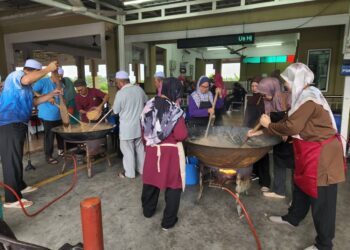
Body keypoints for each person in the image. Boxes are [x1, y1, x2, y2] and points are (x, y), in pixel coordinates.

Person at [248, 63, 346, 250]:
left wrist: (269, 125)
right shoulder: (302, 97)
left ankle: (324, 245)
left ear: (297, 80)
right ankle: (293, 218)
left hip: (322, 154)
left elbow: (292, 127)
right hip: (309, 150)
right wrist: (261, 132)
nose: (285, 86)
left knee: (322, 200)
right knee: (301, 186)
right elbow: (288, 121)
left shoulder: (309, 99)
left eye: (287, 82)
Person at [0, 59, 59, 208]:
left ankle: (19, 185)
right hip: (8, 123)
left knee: (16, 157)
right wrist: (48, 69)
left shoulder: (25, 87)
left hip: (18, 124)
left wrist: (51, 94)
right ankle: (12, 199)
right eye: (38, 74)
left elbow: (33, 102)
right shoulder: (16, 75)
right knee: (11, 160)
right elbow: (27, 79)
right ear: (32, 71)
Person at [141, 77, 188, 230]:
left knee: (150, 181)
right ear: (174, 91)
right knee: (173, 186)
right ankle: (168, 222)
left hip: (151, 150)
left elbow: (143, 131)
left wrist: (151, 144)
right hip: (170, 154)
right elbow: (181, 135)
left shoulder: (148, 105)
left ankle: (148, 212)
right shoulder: (174, 110)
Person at [257, 76, 293, 199]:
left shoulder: (286, 97)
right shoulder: (268, 102)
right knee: (278, 163)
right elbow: (267, 120)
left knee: (295, 167)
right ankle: (279, 191)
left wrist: (287, 131)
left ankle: (296, 200)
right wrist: (256, 132)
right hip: (278, 135)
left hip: (291, 137)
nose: (264, 96)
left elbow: (293, 117)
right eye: (262, 94)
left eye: (265, 93)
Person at [112, 71, 148, 178]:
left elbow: (115, 111)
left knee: (128, 151)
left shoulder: (120, 93)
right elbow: (146, 102)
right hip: (139, 127)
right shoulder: (139, 89)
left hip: (127, 129)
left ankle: (130, 173)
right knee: (140, 149)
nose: (117, 85)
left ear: (121, 82)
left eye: (117, 83)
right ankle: (142, 170)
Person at [243, 76, 270, 192]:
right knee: (253, 152)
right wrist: (245, 128)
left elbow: (265, 117)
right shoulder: (252, 98)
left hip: (261, 130)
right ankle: (256, 173)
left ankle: (265, 182)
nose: (254, 88)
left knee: (263, 154)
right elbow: (247, 115)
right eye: (252, 86)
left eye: (256, 86)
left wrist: (258, 129)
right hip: (251, 129)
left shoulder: (265, 100)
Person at [33, 67, 65, 164]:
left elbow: (62, 98)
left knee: (60, 134)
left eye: (61, 77)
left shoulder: (61, 84)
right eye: (57, 76)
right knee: (49, 136)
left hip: (59, 114)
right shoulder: (43, 82)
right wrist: (46, 97)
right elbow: (32, 91)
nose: (59, 79)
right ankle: (49, 156)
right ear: (52, 74)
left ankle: (61, 151)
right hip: (47, 115)